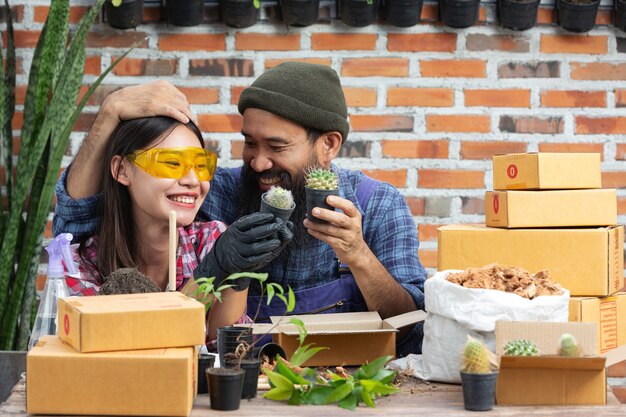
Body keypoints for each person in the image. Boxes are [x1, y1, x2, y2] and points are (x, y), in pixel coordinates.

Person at [54, 63, 428, 356]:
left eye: (276, 147)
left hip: (340, 386)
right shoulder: (217, 191)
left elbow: (412, 327)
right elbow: (78, 220)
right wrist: (109, 115)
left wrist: (359, 256)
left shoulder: (378, 204)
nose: (259, 163)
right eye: (250, 143)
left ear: (328, 145)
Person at [67, 115, 292, 341]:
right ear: (122, 170)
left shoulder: (212, 240)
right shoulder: (80, 264)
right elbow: (134, 350)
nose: (193, 180)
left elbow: (228, 349)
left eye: (201, 165)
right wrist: (208, 273)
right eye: (172, 164)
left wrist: (239, 274)